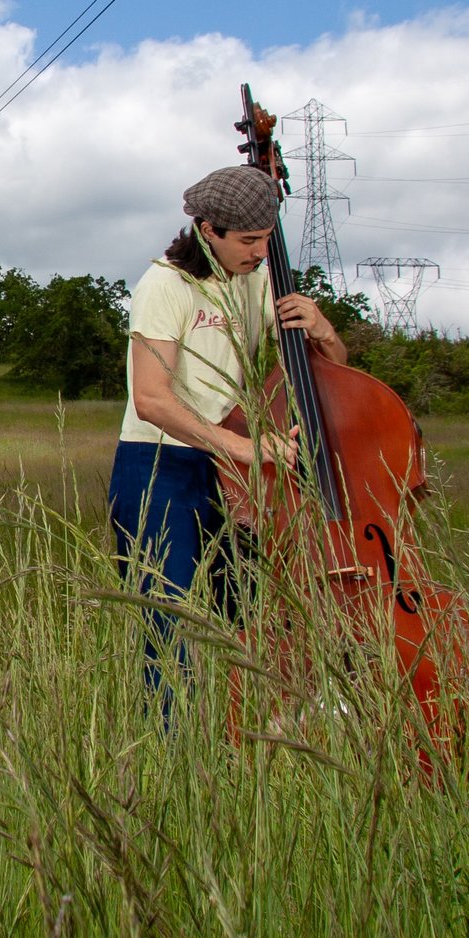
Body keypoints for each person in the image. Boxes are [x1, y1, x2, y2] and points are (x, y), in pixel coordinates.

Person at [108, 165, 342, 707]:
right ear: (207, 229)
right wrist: (244, 447)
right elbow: (152, 399)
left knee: (252, 613)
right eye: (248, 240)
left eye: (266, 239)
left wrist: (324, 330)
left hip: (230, 467)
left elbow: (333, 377)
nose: (261, 252)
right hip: (158, 463)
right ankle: (173, 755)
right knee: (171, 627)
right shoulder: (165, 284)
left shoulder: (258, 279)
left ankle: (247, 739)